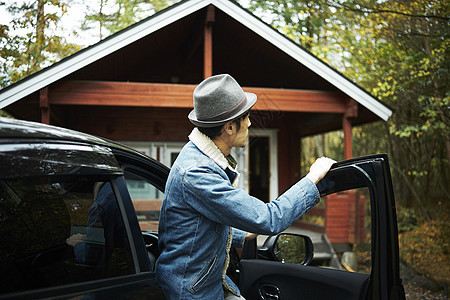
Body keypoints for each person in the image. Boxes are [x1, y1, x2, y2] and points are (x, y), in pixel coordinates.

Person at [155, 74, 335, 299]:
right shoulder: (197, 173)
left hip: (207, 283)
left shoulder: (200, 159)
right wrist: (313, 179)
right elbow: (269, 218)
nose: (250, 122)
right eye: (246, 116)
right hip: (192, 292)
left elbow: (203, 222)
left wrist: (242, 231)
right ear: (229, 128)